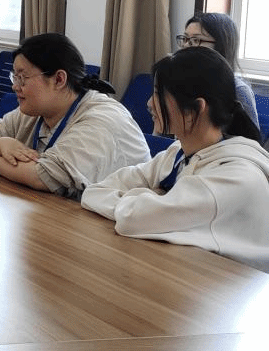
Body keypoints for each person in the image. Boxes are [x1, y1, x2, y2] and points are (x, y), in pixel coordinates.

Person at [81, 47, 269, 271]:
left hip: (235, 285)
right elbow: (94, 192)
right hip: (194, 272)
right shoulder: (179, 153)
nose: (150, 103)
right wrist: (150, 199)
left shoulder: (234, 177)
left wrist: (146, 197)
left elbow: (132, 220)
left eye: (159, 94)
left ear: (194, 109)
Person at [0, 33, 150, 198]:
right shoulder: (33, 111)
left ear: (59, 79)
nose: (15, 86)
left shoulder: (102, 118)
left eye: (22, 77)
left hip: (121, 222)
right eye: (14, 77)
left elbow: (42, 177)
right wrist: (2, 144)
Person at [177, 13, 260, 132]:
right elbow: (161, 136)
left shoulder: (238, 91)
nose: (185, 46)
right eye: (185, 39)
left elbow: (251, 141)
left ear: (221, 46)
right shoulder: (177, 83)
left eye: (196, 40)